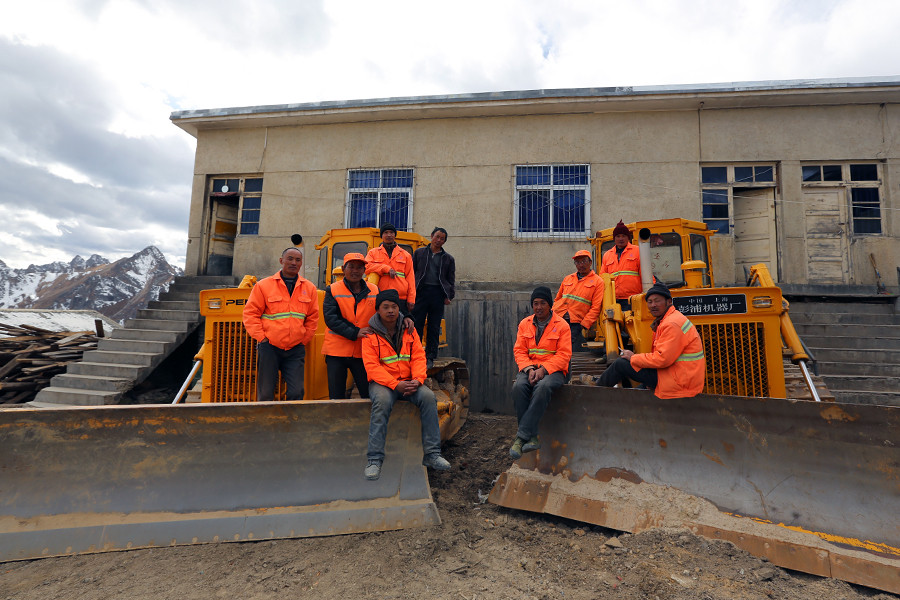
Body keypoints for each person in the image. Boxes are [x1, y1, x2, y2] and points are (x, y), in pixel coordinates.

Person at [362, 289, 451, 480]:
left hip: (409, 382)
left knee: (428, 397)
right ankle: (374, 459)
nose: (391, 311)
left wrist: (417, 380)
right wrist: (395, 385)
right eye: (386, 307)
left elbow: (419, 357)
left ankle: (432, 454)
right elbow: (372, 367)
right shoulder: (369, 336)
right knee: (382, 403)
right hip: (383, 384)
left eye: (394, 306)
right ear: (378, 310)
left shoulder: (410, 331)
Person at [597, 283, 705, 399]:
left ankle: (595, 389)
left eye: (657, 301)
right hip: (676, 375)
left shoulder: (671, 324)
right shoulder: (667, 320)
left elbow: (662, 359)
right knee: (633, 395)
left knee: (620, 364)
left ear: (669, 302)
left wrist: (633, 357)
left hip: (678, 381)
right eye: (650, 302)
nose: (653, 305)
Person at [242, 247, 319, 401]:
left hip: (295, 349)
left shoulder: (309, 288)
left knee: (296, 392)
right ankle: (267, 423)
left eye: (298, 260)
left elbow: (313, 317)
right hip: (269, 347)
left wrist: (303, 339)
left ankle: (290, 424)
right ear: (281, 261)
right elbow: (250, 314)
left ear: (301, 263)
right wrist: (262, 338)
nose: (293, 263)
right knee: (265, 393)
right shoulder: (264, 286)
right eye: (290, 258)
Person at [509, 286, 572, 459]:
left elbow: (564, 355)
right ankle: (533, 437)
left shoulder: (562, 326)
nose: (539, 307)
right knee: (518, 387)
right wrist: (529, 369)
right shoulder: (525, 324)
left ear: (550, 305)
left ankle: (522, 437)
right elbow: (519, 351)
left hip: (555, 371)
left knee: (542, 388)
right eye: (535, 303)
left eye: (542, 303)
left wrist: (544, 370)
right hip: (530, 368)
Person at [322, 252, 378, 399]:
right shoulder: (332, 289)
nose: (355, 270)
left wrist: (406, 318)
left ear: (364, 270)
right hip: (336, 351)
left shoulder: (375, 290)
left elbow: (386, 310)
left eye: (359, 267)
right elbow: (331, 318)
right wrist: (355, 332)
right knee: (336, 396)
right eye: (351, 266)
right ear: (343, 268)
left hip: (363, 350)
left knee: (368, 394)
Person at [412, 227, 456, 370]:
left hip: (437, 294)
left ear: (444, 241)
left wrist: (449, 296)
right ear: (431, 236)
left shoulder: (448, 258)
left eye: (442, 238)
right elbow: (412, 273)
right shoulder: (419, 253)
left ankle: (430, 356)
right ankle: (415, 354)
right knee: (416, 324)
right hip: (421, 292)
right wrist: (410, 293)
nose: (438, 240)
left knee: (434, 326)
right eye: (437, 236)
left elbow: (451, 279)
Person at [553, 250, 604, 352]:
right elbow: (557, 299)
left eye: (584, 261)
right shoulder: (568, 279)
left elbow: (596, 307)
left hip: (576, 322)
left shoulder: (598, 281)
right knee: (553, 345)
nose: (581, 265)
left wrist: (584, 324)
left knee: (566, 348)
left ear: (590, 262)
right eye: (578, 262)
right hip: (558, 318)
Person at [365, 223, 416, 314]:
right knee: (380, 326)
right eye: (385, 232)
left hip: (400, 298)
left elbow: (410, 278)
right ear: (382, 235)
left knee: (401, 325)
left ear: (395, 235)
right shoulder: (373, 253)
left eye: (391, 232)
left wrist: (411, 299)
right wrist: (385, 268)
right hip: (380, 296)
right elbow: (366, 267)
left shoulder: (405, 255)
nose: (389, 235)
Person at [599, 220, 643, 309]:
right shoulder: (607, 255)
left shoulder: (637, 251)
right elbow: (602, 278)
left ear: (628, 238)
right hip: (613, 300)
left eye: (623, 236)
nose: (621, 239)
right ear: (614, 238)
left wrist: (649, 294)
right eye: (618, 236)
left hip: (633, 299)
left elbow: (646, 274)